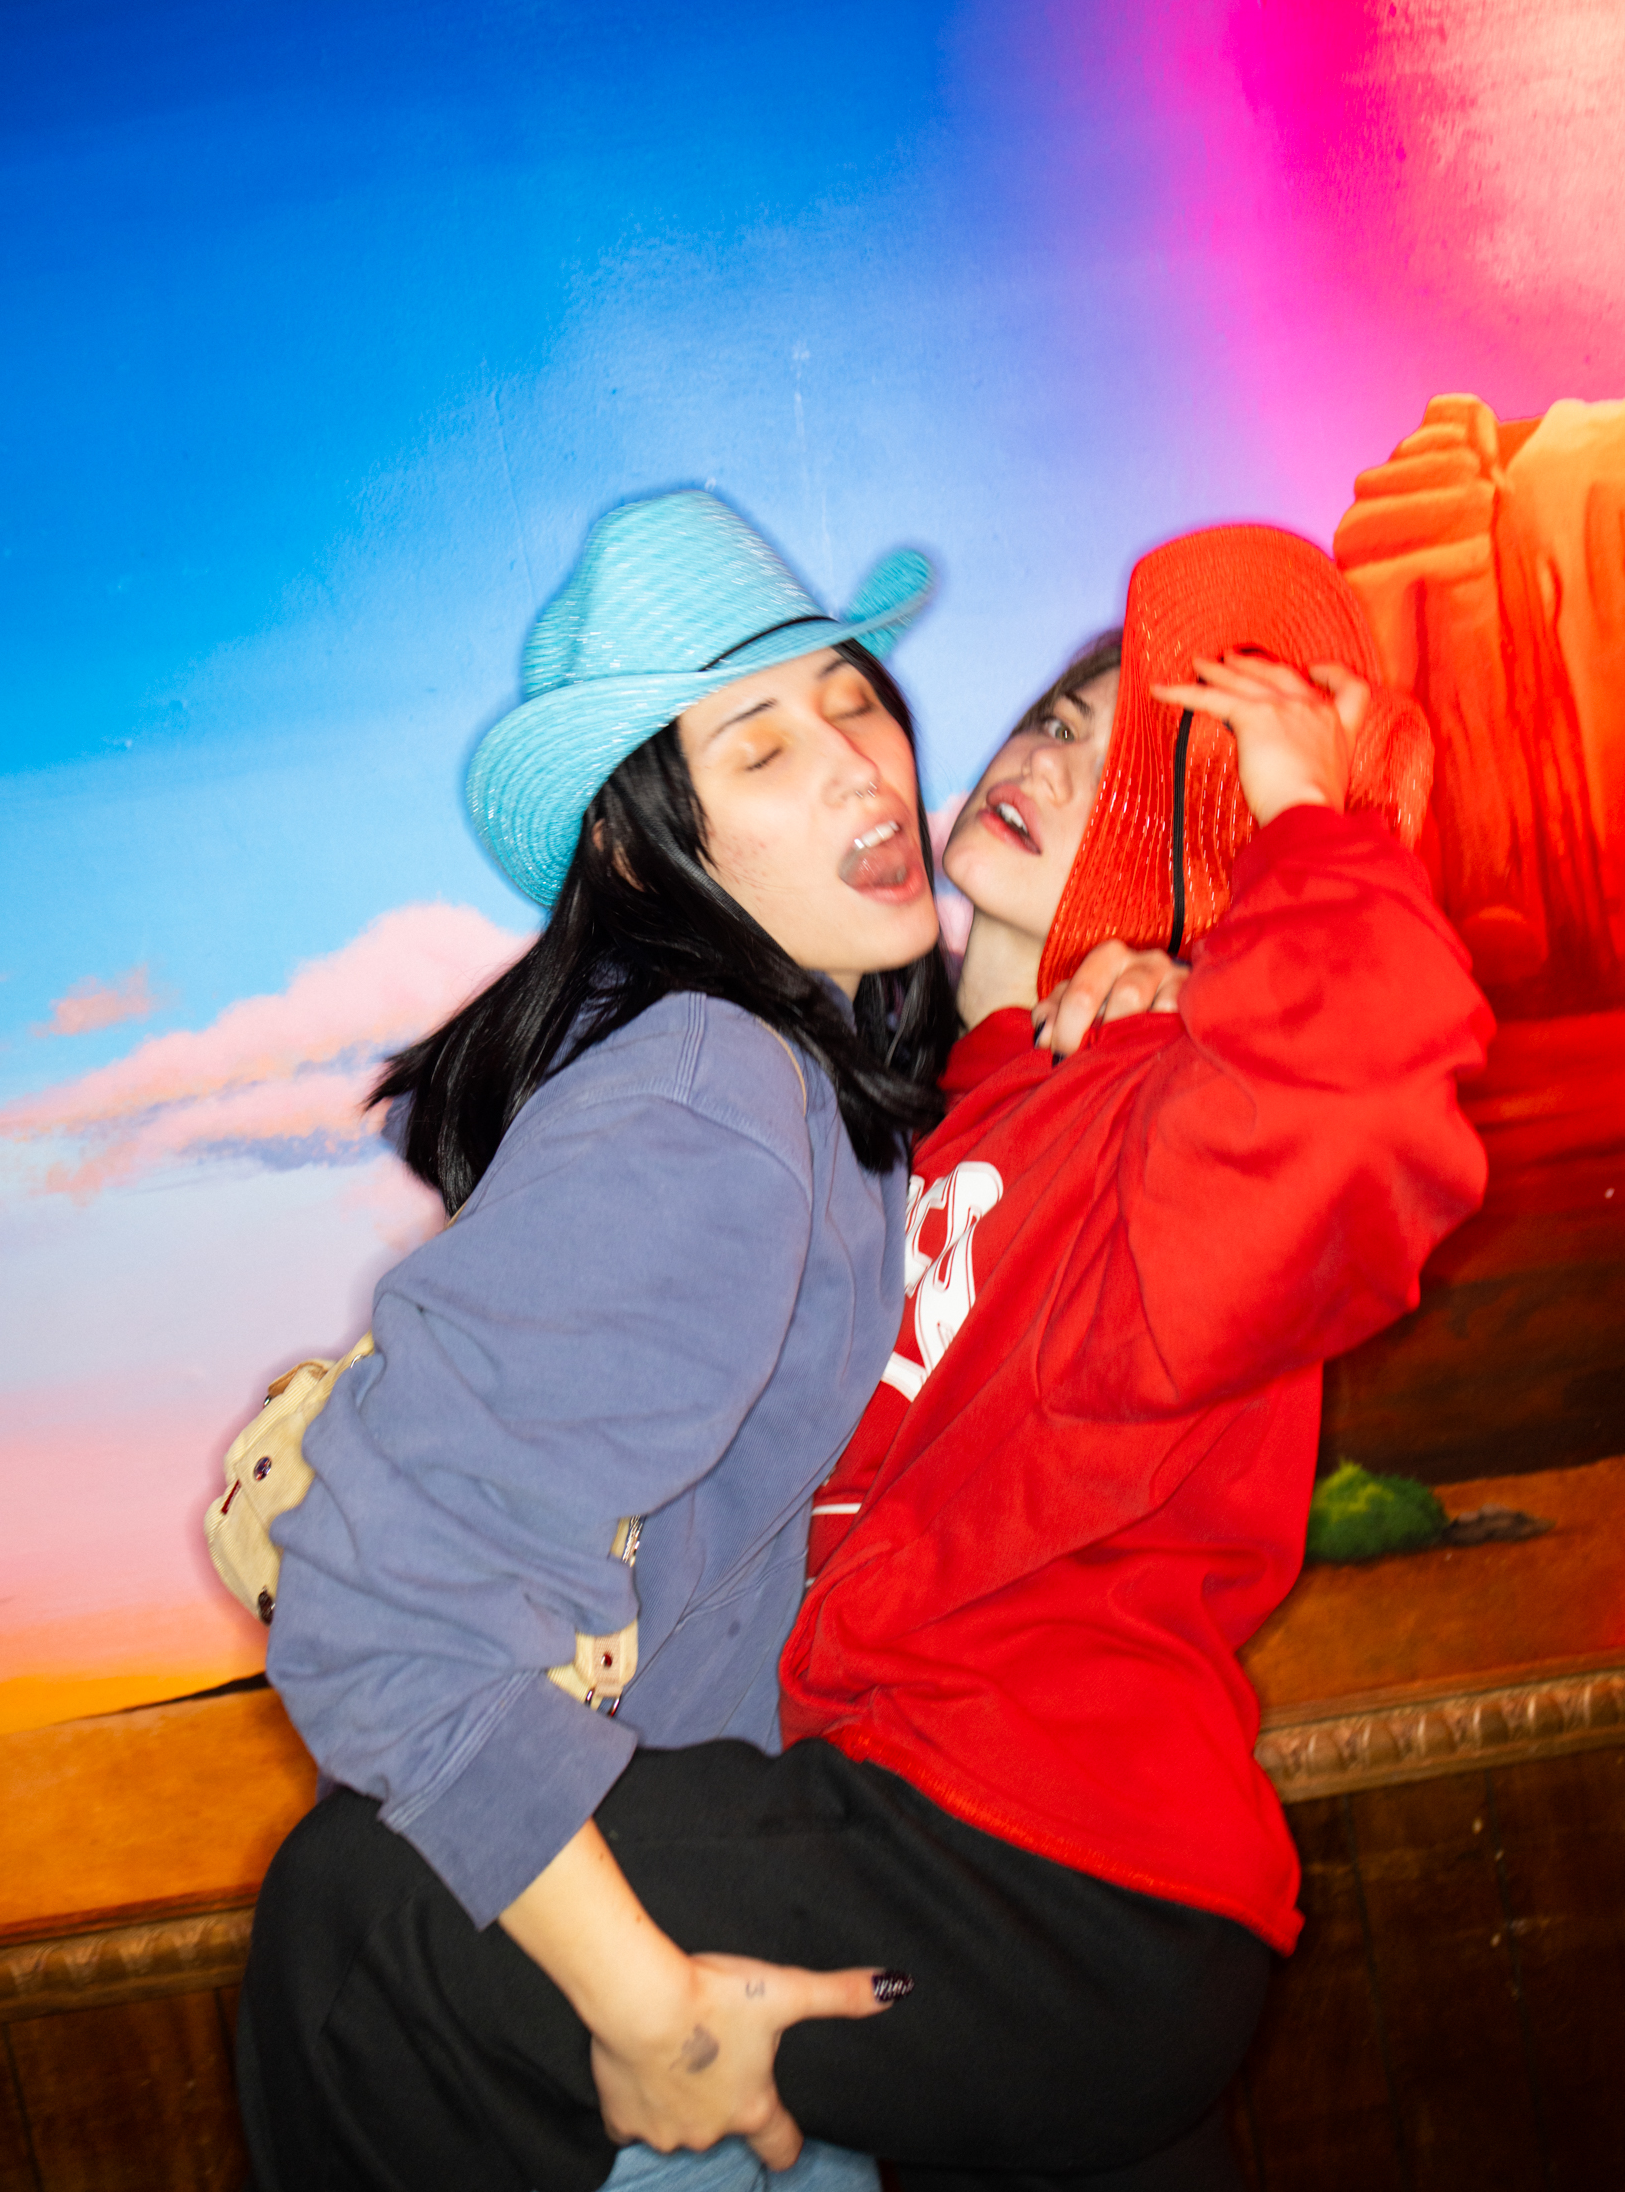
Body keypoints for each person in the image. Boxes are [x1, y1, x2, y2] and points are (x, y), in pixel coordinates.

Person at [241, 523, 1492, 2192]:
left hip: (1055, 1879)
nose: (1044, 752)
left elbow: (1359, 1133)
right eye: (1054, 718)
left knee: (366, 1928)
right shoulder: (900, 1130)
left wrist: (1313, 837)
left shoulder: (1172, 1102)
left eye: (1134, 779)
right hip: (959, 1902)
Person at [251, 487, 959, 2192]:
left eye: (852, 699)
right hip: (611, 1992)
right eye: (760, 747)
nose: (858, 766)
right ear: (647, 856)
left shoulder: (789, 1076)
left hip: (657, 1901)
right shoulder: (712, 1098)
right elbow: (379, 1606)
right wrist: (654, 2010)